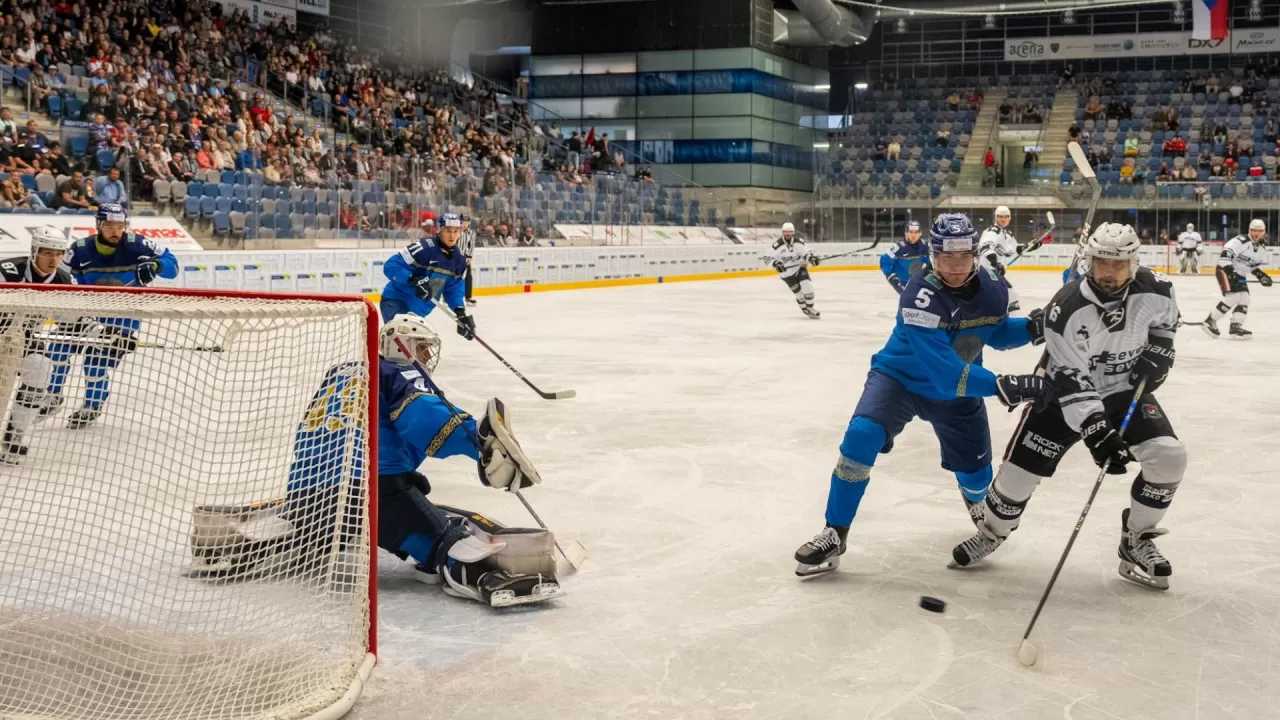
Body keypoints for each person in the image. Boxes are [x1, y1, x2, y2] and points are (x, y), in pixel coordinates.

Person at [184, 316, 564, 608]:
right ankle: (488, 578)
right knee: (452, 530)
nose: (427, 357)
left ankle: (234, 544)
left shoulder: (339, 374)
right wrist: (478, 444)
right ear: (401, 346)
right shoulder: (397, 371)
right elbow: (424, 419)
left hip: (306, 495)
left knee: (334, 514)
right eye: (422, 348)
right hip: (371, 492)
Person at [792, 213, 1051, 578]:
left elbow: (994, 333)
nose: (957, 267)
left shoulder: (993, 287)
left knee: (977, 477)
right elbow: (944, 373)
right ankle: (835, 532)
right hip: (900, 379)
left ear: (975, 254)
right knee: (860, 438)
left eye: (964, 258)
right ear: (933, 256)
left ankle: (983, 514)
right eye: (948, 258)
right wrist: (1003, 386)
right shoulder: (919, 293)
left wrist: (1033, 327)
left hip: (959, 389)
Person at [951, 223, 1185, 591]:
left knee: (1170, 457)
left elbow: (1166, 325)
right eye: (1100, 262)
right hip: (1060, 396)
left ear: (1134, 263)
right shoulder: (1068, 306)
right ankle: (993, 531)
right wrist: (1096, 430)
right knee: (1015, 482)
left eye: (1117, 264)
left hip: (1122, 389)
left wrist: (1160, 350)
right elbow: (1071, 380)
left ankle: (1136, 540)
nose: (1107, 272)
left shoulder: (1158, 290)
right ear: (1089, 261)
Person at [45, 204, 179, 428]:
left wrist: (156, 264)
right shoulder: (78, 250)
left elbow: (172, 267)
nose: (115, 231)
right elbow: (60, 278)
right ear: (98, 225)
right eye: (109, 226)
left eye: (120, 225)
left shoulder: (138, 244)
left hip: (123, 318)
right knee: (57, 350)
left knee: (95, 364)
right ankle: (52, 395)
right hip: (86, 316)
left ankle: (92, 406)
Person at [0, 226, 76, 463]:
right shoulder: (7, 271)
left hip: (26, 337)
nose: (54, 259)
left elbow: (75, 318)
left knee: (41, 369)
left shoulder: (65, 280)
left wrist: (107, 333)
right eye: (47, 253)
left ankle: (14, 437)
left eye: (58, 253)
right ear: (33, 251)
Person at [379, 213, 476, 345]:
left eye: (456, 231)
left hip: (419, 310)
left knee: (417, 355)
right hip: (397, 301)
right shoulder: (424, 248)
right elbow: (391, 265)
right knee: (402, 349)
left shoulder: (459, 261)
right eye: (448, 231)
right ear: (440, 230)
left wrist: (460, 312)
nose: (452, 236)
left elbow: (454, 289)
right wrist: (412, 278)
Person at [1202, 219, 1269, 340]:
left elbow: (1252, 266)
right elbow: (1224, 257)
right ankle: (1210, 321)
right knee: (1233, 297)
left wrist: (1262, 276)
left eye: (1260, 231)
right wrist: (1231, 273)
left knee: (1245, 299)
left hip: (1240, 274)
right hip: (1225, 270)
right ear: (1250, 230)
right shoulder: (1239, 241)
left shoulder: (1261, 248)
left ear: (1264, 232)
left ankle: (1235, 326)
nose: (1257, 233)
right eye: (1254, 230)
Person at [979, 206, 1040, 312]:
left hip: (995, 271)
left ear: (1009, 218)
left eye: (1006, 216)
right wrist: (995, 263)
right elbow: (985, 247)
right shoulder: (991, 232)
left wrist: (1029, 247)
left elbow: (1014, 250)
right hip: (986, 271)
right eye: (1000, 216)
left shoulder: (1007, 234)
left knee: (1008, 295)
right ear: (995, 218)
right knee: (1009, 295)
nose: (1003, 219)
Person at [768, 222, 821, 319]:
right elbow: (767, 258)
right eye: (786, 232)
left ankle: (810, 308)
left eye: (790, 232)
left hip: (799, 268)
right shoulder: (777, 245)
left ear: (793, 232)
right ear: (782, 232)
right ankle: (804, 309)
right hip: (787, 274)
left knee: (808, 288)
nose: (788, 234)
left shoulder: (799, 242)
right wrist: (776, 264)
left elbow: (806, 252)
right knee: (800, 295)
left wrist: (811, 258)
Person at [878, 220, 931, 294]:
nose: (913, 235)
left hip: (918, 281)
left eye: (916, 232)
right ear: (906, 233)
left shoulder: (925, 246)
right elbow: (884, 261)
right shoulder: (898, 248)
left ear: (920, 233)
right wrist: (891, 277)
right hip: (902, 283)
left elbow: (929, 261)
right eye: (911, 232)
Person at [459, 214, 477, 306]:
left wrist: (470, 257)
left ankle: (468, 297)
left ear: (469, 222)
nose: (464, 223)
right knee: (452, 276)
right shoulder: (456, 231)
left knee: (468, 277)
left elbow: (471, 245)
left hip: (465, 256)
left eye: (466, 221)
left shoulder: (471, 233)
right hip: (455, 256)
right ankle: (447, 297)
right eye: (463, 221)